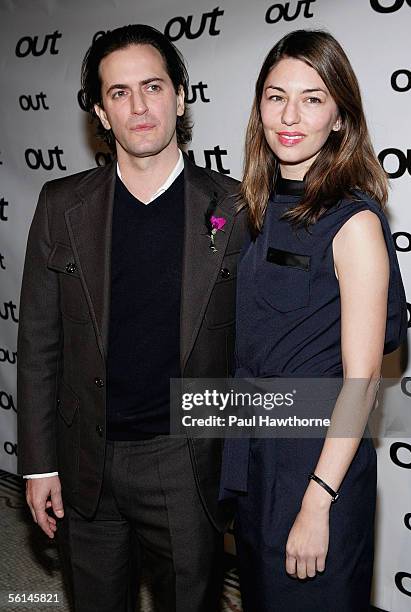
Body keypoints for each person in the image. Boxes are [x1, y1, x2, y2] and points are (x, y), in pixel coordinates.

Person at [17, 24, 246, 612]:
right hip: (84, 456)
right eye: (119, 93)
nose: (139, 106)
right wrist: (39, 464)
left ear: (181, 95)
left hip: (183, 457)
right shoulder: (60, 205)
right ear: (100, 110)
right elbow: (40, 343)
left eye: (153, 86)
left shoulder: (237, 207)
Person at [220, 29, 407, 611]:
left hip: (317, 458)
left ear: (340, 118)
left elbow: (362, 379)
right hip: (254, 449)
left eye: (312, 97)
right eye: (276, 97)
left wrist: (318, 500)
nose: (289, 115)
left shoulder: (353, 223)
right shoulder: (254, 205)